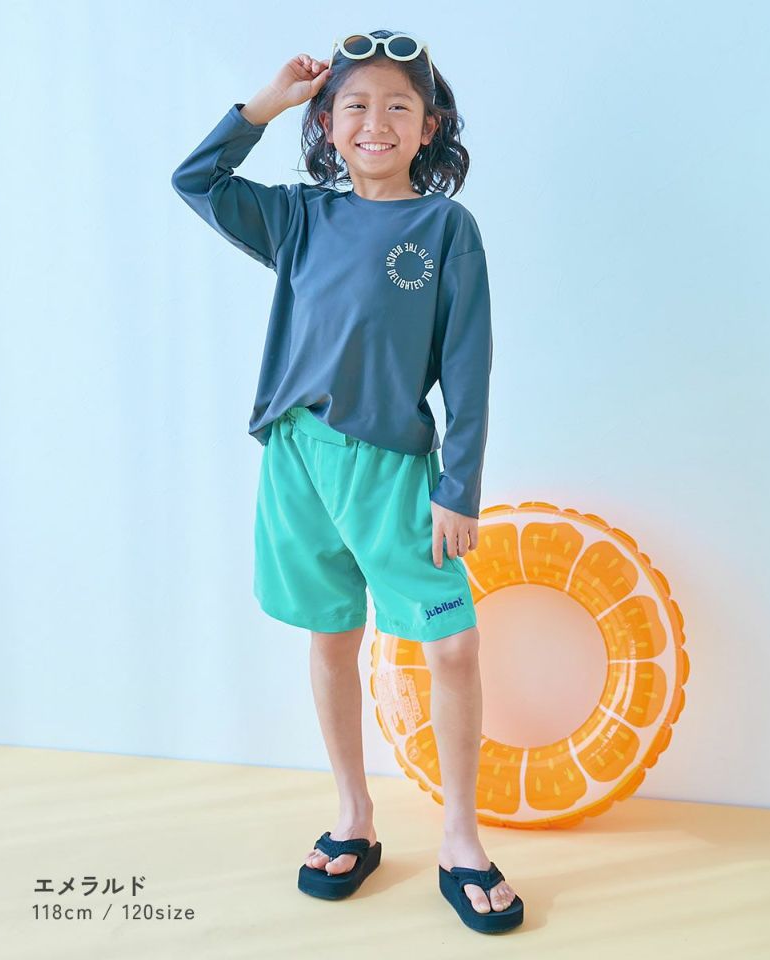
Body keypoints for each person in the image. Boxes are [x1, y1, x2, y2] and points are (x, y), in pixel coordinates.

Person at [171, 29, 523, 933]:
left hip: (394, 470)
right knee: (332, 637)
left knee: (452, 647)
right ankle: (353, 815)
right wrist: (268, 101)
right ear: (327, 124)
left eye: (399, 106)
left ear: (428, 127)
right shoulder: (299, 218)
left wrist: (458, 486)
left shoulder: (445, 230)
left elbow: (468, 367)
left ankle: (460, 836)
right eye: (355, 105)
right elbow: (196, 179)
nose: (376, 122)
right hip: (297, 457)